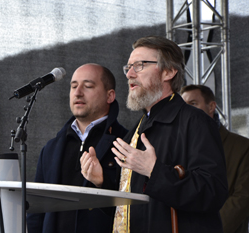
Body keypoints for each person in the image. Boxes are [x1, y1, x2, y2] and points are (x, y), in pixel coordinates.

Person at [84, 36, 228, 233]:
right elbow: (128, 210)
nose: (130, 74)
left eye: (140, 65)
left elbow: (213, 193)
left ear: (168, 71)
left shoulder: (195, 121)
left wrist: (154, 170)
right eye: (128, 67)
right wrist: (101, 181)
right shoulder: (136, 129)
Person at [26, 63, 128, 233]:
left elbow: (133, 212)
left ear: (110, 96)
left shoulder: (125, 142)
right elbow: (37, 210)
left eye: (88, 86)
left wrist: (102, 183)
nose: (78, 92)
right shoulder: (51, 148)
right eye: (73, 86)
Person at [181, 84, 249, 233]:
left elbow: (243, 198)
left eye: (193, 104)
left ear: (211, 107)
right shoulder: (178, 147)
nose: (186, 110)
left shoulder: (242, 147)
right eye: (183, 105)